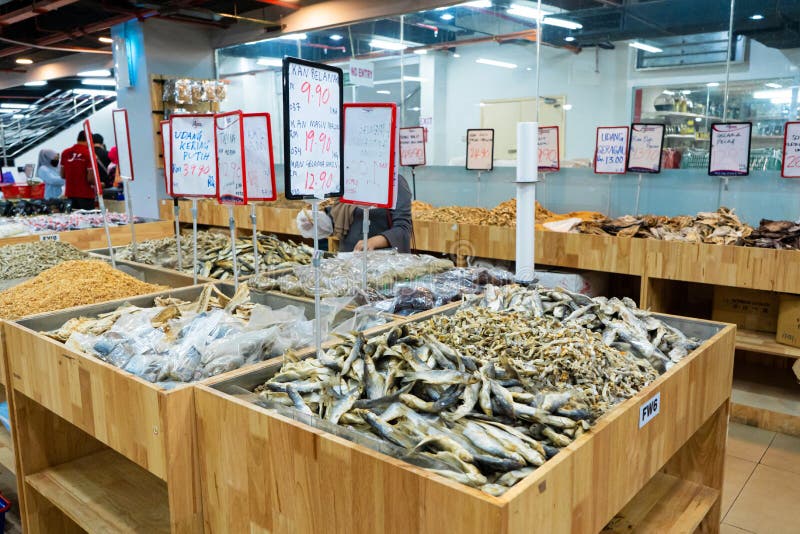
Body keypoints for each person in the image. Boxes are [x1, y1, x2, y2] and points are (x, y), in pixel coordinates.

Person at [297, 175, 413, 252]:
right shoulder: (348, 181)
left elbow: (403, 229)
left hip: (382, 266)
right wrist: (319, 221)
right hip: (349, 263)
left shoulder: (394, 182)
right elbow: (340, 219)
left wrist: (372, 242)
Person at [61, 131, 96, 210]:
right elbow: (90, 178)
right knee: (87, 220)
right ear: (89, 140)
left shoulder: (65, 152)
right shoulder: (89, 153)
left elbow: (62, 175)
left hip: (70, 193)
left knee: (73, 219)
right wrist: (98, 183)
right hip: (86, 194)